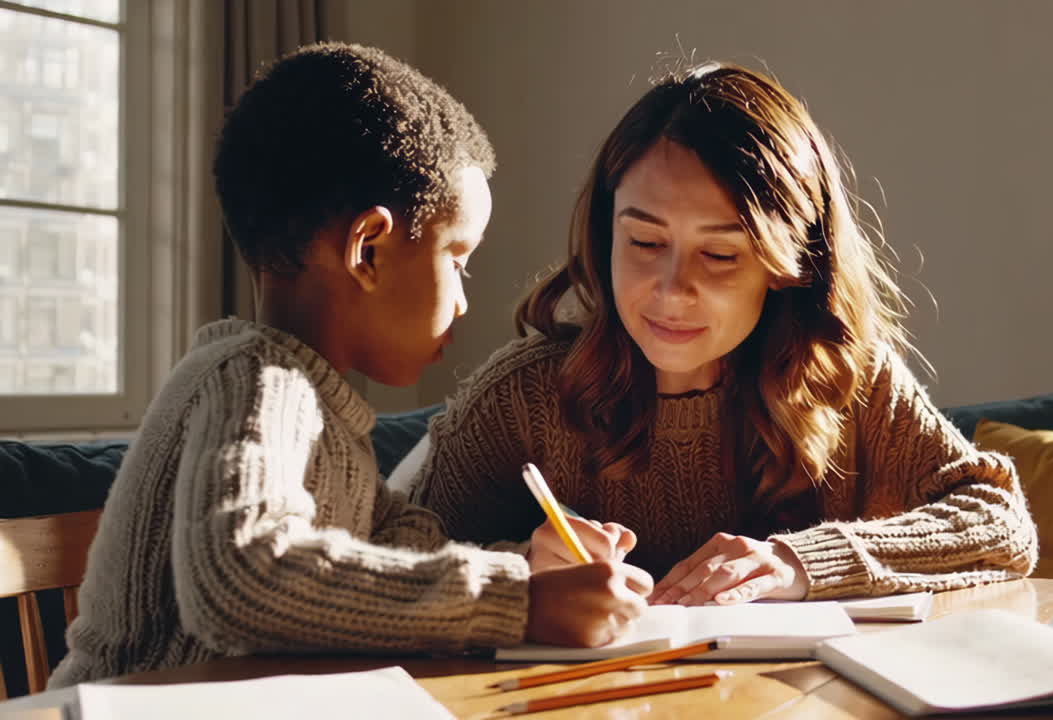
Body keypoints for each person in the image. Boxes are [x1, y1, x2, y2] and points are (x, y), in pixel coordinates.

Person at [49, 43, 650, 688]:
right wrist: (519, 604)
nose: (466, 297)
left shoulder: (324, 414)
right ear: (367, 250)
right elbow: (243, 575)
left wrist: (535, 565)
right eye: (458, 258)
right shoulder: (255, 381)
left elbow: (400, 556)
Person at [408, 62, 1038, 608]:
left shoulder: (845, 378)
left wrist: (800, 564)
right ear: (605, 236)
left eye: (720, 256)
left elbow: (1000, 523)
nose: (671, 288)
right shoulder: (526, 394)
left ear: (790, 265)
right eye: (646, 241)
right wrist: (521, 568)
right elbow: (392, 558)